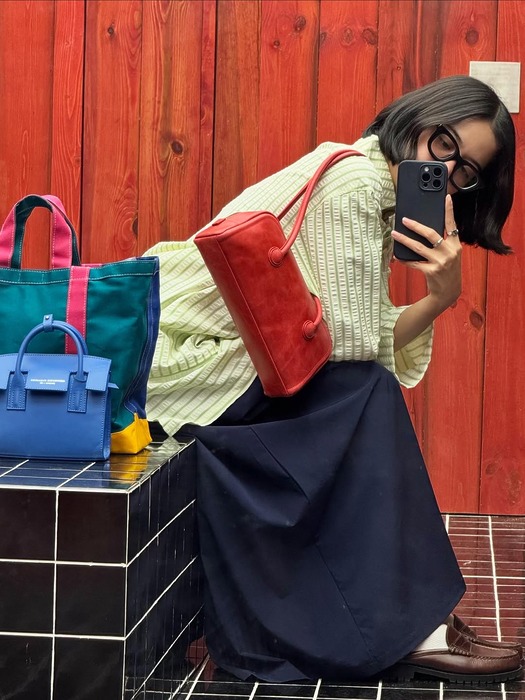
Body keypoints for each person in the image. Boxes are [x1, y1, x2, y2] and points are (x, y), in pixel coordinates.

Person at [145, 75, 521, 684]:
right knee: (367, 392)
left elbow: (343, 338)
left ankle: (413, 621)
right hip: (191, 365)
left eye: (465, 171)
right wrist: (441, 297)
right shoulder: (357, 185)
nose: (445, 170)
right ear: (418, 118)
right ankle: (416, 626)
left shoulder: (373, 182)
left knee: (365, 396)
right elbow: (350, 349)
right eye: (443, 143)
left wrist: (434, 297)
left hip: (241, 361)